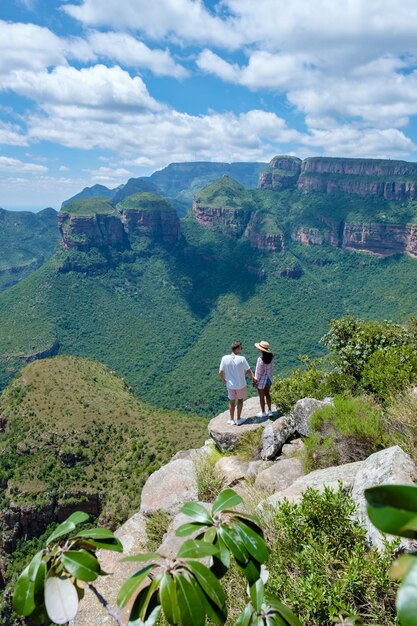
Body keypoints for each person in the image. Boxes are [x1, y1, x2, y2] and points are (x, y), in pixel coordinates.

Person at [219, 341, 257, 425]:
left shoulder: (224, 358)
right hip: (240, 384)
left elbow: (220, 372)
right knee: (240, 400)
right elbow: (248, 371)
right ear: (237, 349)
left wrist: (223, 379)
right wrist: (253, 378)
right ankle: (239, 418)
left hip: (230, 385)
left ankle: (231, 419)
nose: (241, 349)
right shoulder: (242, 359)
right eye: (241, 348)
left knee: (231, 401)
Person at [254, 340, 274, 418]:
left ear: (261, 349)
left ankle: (263, 412)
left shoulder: (260, 359)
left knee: (261, 396)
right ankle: (270, 410)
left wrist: (256, 381)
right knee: (268, 394)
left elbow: (258, 372)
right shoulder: (271, 357)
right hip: (269, 379)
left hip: (262, 380)